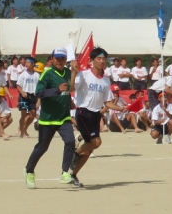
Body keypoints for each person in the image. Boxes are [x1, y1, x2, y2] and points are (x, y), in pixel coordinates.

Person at [69, 47, 128, 186]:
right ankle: (75, 154)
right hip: (83, 112)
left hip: (96, 114)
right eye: (99, 58)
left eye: (104, 59)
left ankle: (73, 174)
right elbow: (71, 89)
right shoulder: (83, 74)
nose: (102, 61)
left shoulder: (106, 80)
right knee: (96, 143)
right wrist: (73, 73)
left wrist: (119, 108)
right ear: (91, 61)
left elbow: (107, 102)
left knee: (89, 149)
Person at [23, 48, 78, 189]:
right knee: (42, 147)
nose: (60, 61)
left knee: (71, 141)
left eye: (62, 58)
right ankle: (29, 171)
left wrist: (69, 98)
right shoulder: (47, 73)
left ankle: (65, 173)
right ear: (52, 59)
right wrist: (57, 90)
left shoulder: (67, 72)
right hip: (47, 118)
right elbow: (39, 92)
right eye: (57, 58)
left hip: (64, 116)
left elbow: (69, 88)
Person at [15, 56, 39, 138]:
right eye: (26, 62)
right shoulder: (23, 74)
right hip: (24, 96)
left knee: (32, 115)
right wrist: (22, 92)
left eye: (29, 62)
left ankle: (25, 129)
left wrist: (39, 100)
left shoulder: (37, 75)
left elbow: (39, 88)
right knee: (23, 115)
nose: (27, 64)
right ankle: (22, 132)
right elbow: (18, 85)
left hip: (33, 96)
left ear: (33, 64)